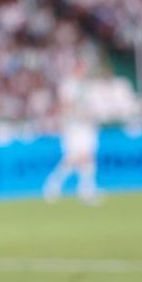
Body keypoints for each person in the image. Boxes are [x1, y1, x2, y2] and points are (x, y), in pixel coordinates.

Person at [43, 56, 102, 205]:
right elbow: (65, 105)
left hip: (86, 126)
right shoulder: (69, 85)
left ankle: (86, 188)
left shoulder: (88, 86)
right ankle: (53, 184)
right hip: (74, 126)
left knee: (88, 157)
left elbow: (92, 107)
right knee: (73, 158)